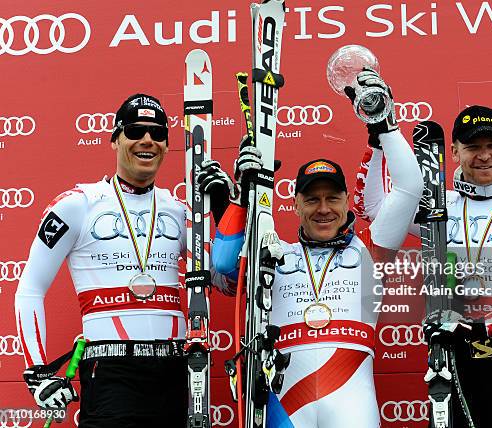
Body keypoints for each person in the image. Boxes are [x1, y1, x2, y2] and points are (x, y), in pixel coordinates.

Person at [202, 70, 424, 427]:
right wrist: (242, 199)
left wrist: (385, 125)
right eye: (312, 199)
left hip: (352, 403)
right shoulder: (275, 254)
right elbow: (225, 266)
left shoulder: (371, 251)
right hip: (284, 403)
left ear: (347, 200)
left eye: (332, 198)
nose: (323, 209)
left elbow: (410, 187)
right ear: (295, 203)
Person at [14, 93, 234, 427]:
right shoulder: (78, 204)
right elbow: (30, 288)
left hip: (175, 373)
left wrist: (227, 213)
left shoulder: (181, 211)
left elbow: (228, 285)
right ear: (116, 139)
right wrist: (36, 372)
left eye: (158, 133)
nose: (148, 140)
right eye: (135, 131)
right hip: (111, 373)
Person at [355, 105, 492, 428]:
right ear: (454, 152)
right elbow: (371, 207)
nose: (484, 156)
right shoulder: (438, 209)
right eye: (472, 147)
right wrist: (378, 140)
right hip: (453, 364)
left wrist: (481, 326)